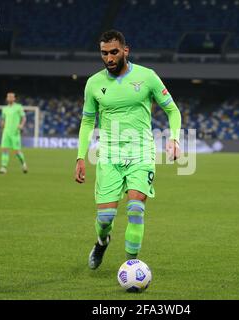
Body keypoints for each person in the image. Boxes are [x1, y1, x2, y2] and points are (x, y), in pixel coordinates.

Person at [75, 30, 181, 269]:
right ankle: (102, 242)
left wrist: (174, 138)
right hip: (109, 156)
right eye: (104, 53)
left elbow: (173, 110)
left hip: (141, 152)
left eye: (114, 52)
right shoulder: (93, 83)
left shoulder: (147, 77)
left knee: (135, 209)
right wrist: (80, 156)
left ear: (125, 50)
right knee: (105, 219)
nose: (109, 58)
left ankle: (132, 267)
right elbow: (87, 121)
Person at [0, 92, 28, 174]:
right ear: (7, 98)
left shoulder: (19, 107)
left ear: (14, 99)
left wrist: (21, 125)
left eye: (11, 97)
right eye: (8, 97)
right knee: (4, 149)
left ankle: (24, 164)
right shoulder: (4, 108)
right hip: (6, 132)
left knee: (17, 151)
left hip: (15, 132)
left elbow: (24, 118)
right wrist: (2, 123)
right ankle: (3, 168)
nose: (10, 98)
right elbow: (3, 119)